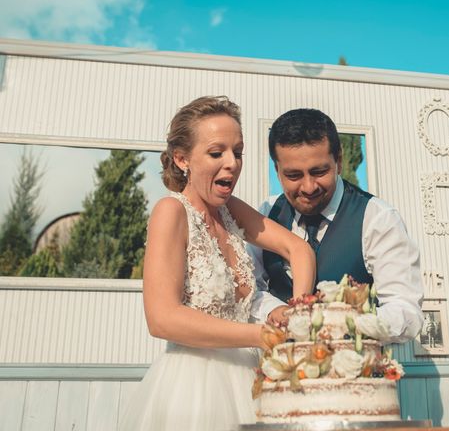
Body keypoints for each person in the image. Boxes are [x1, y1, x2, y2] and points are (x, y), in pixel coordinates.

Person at [120, 96, 315, 430]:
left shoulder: (230, 211)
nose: (232, 163)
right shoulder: (171, 212)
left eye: (237, 152)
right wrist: (262, 335)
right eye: (216, 153)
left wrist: (296, 311)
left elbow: (299, 250)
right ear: (182, 159)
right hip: (194, 390)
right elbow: (162, 319)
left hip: (248, 379)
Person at [249, 108, 423, 343]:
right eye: (293, 176)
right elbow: (250, 290)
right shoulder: (267, 214)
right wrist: (272, 310)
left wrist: (341, 322)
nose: (309, 187)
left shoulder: (378, 219)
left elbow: (406, 312)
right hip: (279, 372)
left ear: (339, 161)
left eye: (319, 172)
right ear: (277, 171)